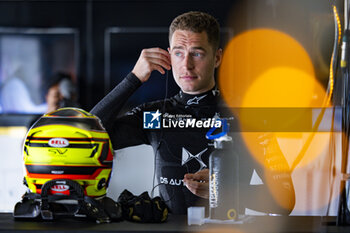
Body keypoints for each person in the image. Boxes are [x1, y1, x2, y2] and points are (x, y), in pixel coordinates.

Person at [91, 11, 295, 215]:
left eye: (197, 53)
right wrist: (133, 78)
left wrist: (224, 190)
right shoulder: (155, 116)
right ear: (169, 55)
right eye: (179, 53)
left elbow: (285, 199)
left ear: (217, 58)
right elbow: (86, 135)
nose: (186, 65)